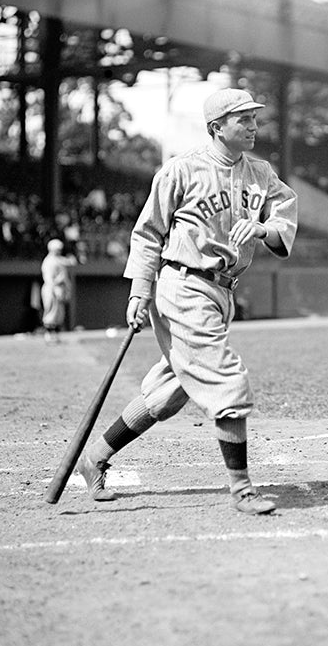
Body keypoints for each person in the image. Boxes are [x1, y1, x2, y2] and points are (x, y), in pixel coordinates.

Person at [75, 87, 298, 515]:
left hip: (222, 290)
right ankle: (242, 489)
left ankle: (95, 457)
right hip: (183, 283)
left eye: (254, 117)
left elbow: (283, 212)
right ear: (217, 127)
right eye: (243, 119)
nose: (253, 125)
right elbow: (147, 233)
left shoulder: (260, 173)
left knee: (169, 391)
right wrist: (140, 289)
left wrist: (263, 230)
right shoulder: (181, 170)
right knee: (225, 377)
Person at [40, 238, 75, 343]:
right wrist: (54, 290)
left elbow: (70, 262)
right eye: (57, 249)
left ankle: (55, 336)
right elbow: (49, 279)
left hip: (59, 289)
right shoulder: (49, 261)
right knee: (51, 312)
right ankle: (48, 335)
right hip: (52, 288)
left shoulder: (57, 259)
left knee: (59, 314)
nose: (59, 251)